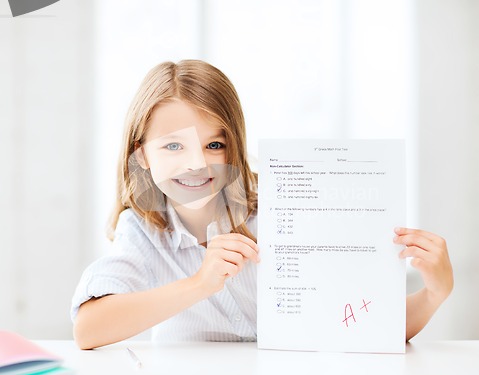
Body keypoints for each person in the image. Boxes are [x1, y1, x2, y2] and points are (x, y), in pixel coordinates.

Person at [71, 60, 454, 350]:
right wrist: (199, 284)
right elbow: (89, 330)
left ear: (233, 146)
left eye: (214, 145)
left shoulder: (282, 211)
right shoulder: (142, 229)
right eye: (173, 145)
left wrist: (433, 293)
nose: (196, 163)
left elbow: (363, 327)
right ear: (141, 156)